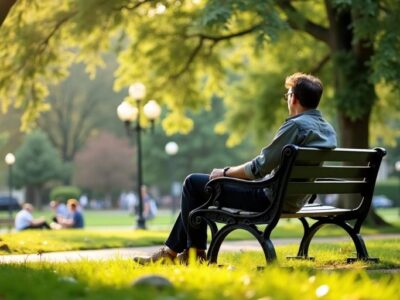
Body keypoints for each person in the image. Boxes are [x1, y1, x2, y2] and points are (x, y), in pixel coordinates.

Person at [133, 72, 337, 265]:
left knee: (193, 183)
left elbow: (259, 168)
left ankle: (192, 255)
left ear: (293, 98)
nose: (287, 99)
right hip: (295, 201)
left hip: (269, 199)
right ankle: (175, 253)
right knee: (199, 193)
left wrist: (225, 173)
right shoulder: (327, 129)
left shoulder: (295, 126)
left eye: (288, 94)